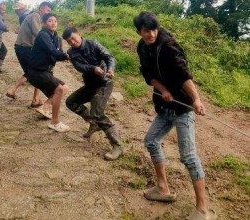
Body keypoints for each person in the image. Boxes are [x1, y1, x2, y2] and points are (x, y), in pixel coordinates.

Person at [134, 11, 216, 220]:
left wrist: (196, 99)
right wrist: (162, 89)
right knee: (151, 141)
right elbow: (148, 75)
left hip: (182, 109)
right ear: (139, 32)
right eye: (146, 31)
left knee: (188, 156)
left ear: (157, 28)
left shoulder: (168, 46)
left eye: (154, 29)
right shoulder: (142, 47)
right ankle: (163, 189)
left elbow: (183, 75)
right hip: (164, 106)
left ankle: (203, 210)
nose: (151, 34)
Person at [62, 26, 122, 160]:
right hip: (90, 85)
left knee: (97, 113)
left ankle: (117, 145)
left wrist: (111, 69)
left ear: (79, 34)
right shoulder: (71, 52)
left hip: (104, 83)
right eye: (68, 41)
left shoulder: (93, 43)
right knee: (71, 102)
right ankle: (93, 123)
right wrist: (93, 68)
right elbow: (79, 67)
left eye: (73, 38)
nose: (72, 42)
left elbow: (109, 57)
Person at [28, 13, 70, 132]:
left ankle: (45, 107)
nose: (53, 23)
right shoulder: (42, 35)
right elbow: (53, 51)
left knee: (65, 88)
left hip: (45, 72)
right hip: (36, 72)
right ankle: (55, 122)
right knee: (59, 89)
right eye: (50, 21)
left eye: (55, 21)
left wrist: (69, 56)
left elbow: (58, 56)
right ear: (44, 23)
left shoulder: (57, 38)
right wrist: (68, 55)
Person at [5, 1, 52, 107]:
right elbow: (38, 33)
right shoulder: (35, 16)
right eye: (47, 10)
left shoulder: (36, 18)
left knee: (33, 72)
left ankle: (33, 98)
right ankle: (17, 91)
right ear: (41, 9)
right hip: (25, 48)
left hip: (23, 48)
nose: (49, 12)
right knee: (36, 72)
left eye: (50, 11)